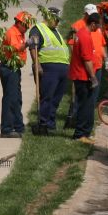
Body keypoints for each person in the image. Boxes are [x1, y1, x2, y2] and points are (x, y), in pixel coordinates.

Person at [27, 7, 69, 135]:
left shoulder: (55, 30)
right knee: (47, 97)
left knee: (56, 99)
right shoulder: (38, 29)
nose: (58, 22)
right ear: (49, 17)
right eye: (56, 19)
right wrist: (37, 64)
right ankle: (43, 123)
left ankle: (50, 123)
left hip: (62, 68)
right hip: (49, 68)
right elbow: (33, 47)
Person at [68, 11, 104, 144]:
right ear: (93, 24)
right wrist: (93, 77)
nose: (99, 28)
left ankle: (85, 133)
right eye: (98, 25)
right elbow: (87, 60)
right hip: (83, 76)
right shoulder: (85, 37)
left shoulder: (82, 33)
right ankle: (80, 134)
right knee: (85, 106)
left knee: (87, 105)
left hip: (81, 75)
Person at [0, 11, 34, 138]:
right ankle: (6, 130)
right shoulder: (12, 33)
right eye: (25, 25)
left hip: (14, 68)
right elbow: (14, 48)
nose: (27, 28)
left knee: (17, 98)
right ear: (19, 23)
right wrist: (27, 43)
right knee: (10, 98)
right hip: (9, 67)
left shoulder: (20, 33)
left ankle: (19, 127)